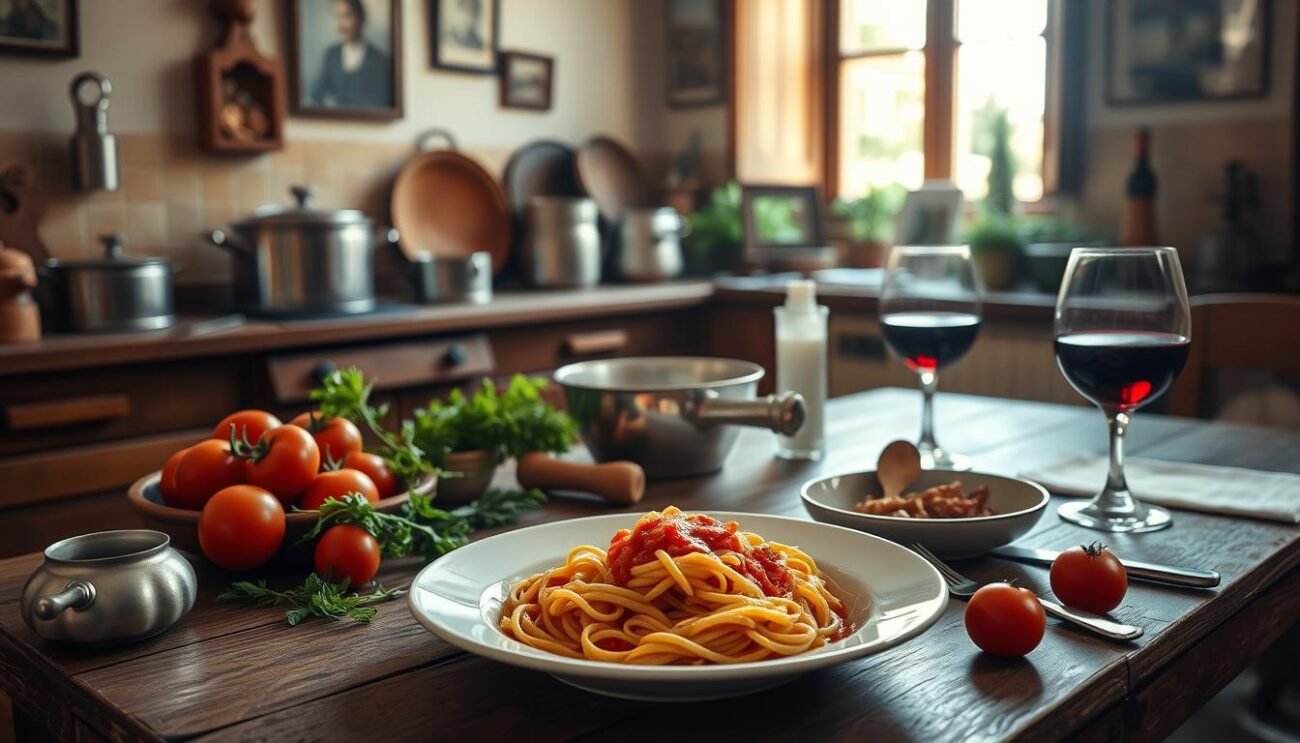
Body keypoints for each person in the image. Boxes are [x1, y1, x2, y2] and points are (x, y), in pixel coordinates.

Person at [310, 0, 391, 109]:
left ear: (361, 18)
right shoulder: (331, 56)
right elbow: (316, 97)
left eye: (347, 16)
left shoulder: (381, 61)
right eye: (337, 17)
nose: (341, 24)